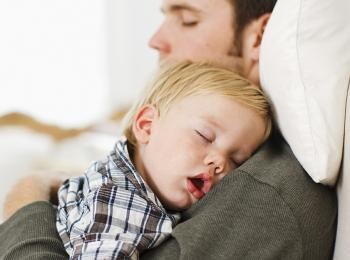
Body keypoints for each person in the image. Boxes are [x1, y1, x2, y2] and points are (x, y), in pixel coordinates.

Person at [0, 0, 337, 259]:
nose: (156, 39)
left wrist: (28, 193)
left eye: (188, 19)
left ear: (259, 37)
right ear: (147, 123)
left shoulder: (266, 198)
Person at [56, 61, 271, 259]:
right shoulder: (119, 203)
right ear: (147, 125)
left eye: (237, 160)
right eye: (204, 136)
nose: (220, 163)